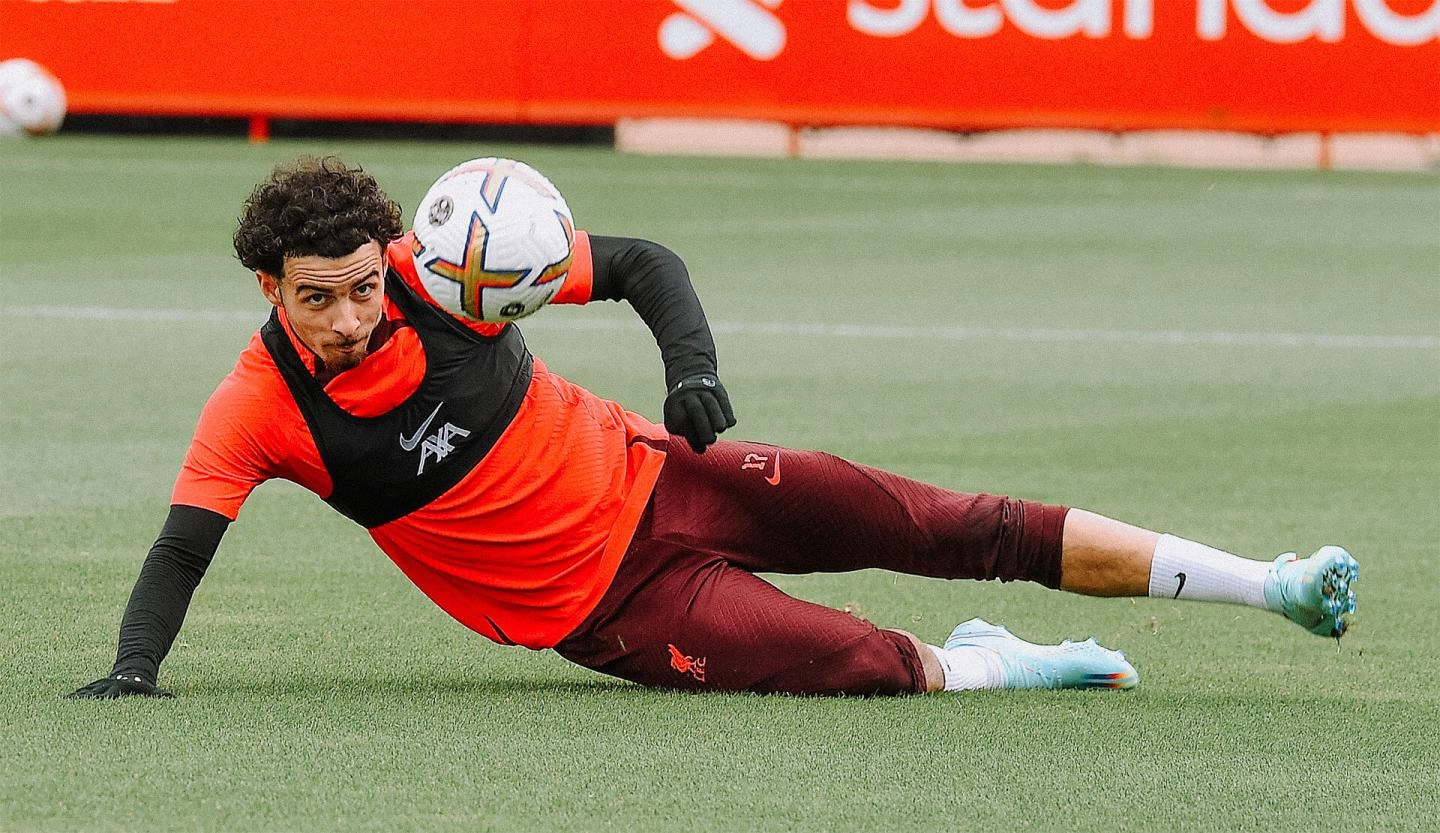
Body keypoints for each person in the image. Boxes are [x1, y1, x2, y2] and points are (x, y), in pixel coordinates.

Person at [69, 156, 1358, 700]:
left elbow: (641, 258)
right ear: (267, 290)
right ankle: (999, 660)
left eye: (361, 284)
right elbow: (184, 547)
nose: (351, 313)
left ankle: (1273, 584)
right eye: (318, 298)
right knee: (869, 668)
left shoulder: (441, 269)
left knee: (961, 523)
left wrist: (693, 376)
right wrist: (133, 672)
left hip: (672, 478)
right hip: (609, 612)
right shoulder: (258, 409)